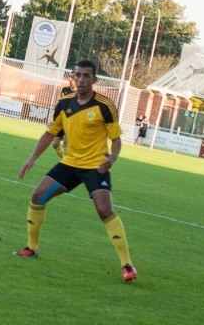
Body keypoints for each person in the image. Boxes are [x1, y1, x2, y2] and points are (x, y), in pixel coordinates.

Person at [15, 59, 137, 281]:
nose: (80, 80)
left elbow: (116, 139)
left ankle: (127, 265)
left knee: (104, 211)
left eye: (86, 76)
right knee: (37, 195)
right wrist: (32, 158)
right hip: (70, 164)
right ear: (73, 77)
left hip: (95, 167)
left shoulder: (104, 106)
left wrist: (114, 157)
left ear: (94, 80)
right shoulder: (64, 103)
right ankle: (31, 248)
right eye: (77, 75)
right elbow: (50, 133)